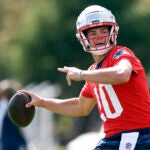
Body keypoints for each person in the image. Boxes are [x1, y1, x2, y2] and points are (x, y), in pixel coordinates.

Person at [18, 5, 150, 150]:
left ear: (112, 32)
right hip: (113, 139)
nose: (99, 36)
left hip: (138, 136)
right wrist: (42, 102)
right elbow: (80, 106)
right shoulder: (93, 72)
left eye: (103, 31)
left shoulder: (121, 54)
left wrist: (81, 74)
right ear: (84, 38)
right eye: (93, 33)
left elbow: (122, 74)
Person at [0, 79, 27, 150]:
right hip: (8, 144)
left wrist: (25, 144)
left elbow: (18, 129)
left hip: (11, 145)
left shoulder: (12, 109)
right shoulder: (6, 107)